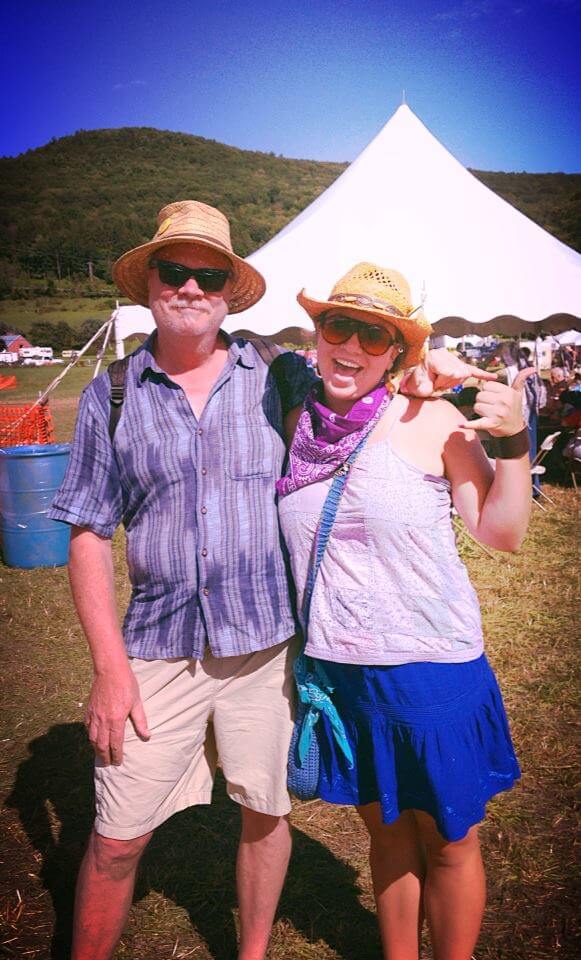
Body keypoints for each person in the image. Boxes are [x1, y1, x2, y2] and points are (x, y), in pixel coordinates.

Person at [48, 201, 495, 960]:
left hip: (267, 647)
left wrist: (429, 374)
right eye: (175, 270)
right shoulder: (110, 395)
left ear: (229, 289)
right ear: (148, 282)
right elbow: (88, 531)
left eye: (209, 273)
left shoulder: (276, 377)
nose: (190, 286)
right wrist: (107, 669)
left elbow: (364, 394)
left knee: (266, 815)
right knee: (117, 839)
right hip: (158, 648)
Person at [278, 262, 532, 960]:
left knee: (449, 841)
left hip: (429, 674)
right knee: (385, 835)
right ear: (316, 332)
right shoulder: (294, 420)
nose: (351, 346)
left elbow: (502, 532)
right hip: (338, 674)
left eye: (374, 334)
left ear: (397, 351)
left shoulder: (430, 419)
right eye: (339, 325)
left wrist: (511, 441)